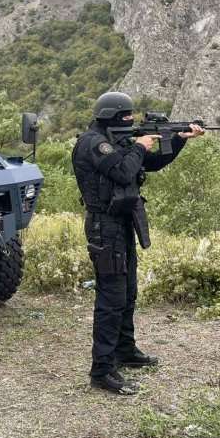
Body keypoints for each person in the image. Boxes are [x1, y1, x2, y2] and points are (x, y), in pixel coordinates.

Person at [72, 92, 204, 395]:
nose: (131, 120)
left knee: (128, 291)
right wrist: (139, 145)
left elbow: (152, 164)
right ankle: (102, 370)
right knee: (111, 299)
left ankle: (125, 350)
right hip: (104, 227)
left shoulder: (117, 140)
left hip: (121, 223)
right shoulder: (94, 143)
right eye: (126, 116)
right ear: (111, 116)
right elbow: (123, 170)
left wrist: (179, 139)